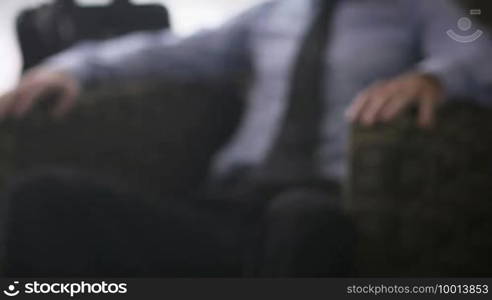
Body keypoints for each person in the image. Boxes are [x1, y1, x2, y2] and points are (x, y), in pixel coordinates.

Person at [1, 0, 492, 277]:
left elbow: (478, 53)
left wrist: (434, 77)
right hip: (227, 206)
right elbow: (170, 51)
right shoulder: (270, 16)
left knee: (302, 224)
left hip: (324, 201)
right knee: (39, 199)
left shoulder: (421, 9)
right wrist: (71, 68)